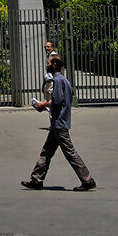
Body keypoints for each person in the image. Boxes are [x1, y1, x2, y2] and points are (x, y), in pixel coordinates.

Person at [22, 55, 96, 192]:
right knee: (46, 151)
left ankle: (87, 180)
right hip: (59, 122)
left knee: (70, 152)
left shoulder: (57, 80)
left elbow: (56, 101)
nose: (46, 65)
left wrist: (43, 104)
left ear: (55, 65)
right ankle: (36, 179)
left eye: (48, 63)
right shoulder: (65, 81)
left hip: (59, 123)